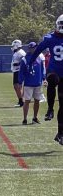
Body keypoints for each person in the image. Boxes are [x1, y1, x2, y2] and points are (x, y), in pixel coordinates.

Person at [29, 14, 63, 144]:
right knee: (53, 80)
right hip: (53, 69)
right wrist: (31, 62)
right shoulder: (50, 38)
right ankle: (49, 109)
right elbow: (38, 50)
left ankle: (60, 133)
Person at [19, 42, 45, 125]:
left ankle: (35, 117)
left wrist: (44, 79)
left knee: (37, 100)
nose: (33, 49)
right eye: (32, 48)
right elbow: (21, 71)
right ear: (29, 48)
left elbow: (42, 69)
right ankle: (25, 119)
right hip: (28, 83)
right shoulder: (25, 58)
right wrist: (20, 81)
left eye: (35, 47)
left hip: (38, 82)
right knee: (27, 101)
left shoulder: (40, 56)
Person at [11, 39, 26, 107]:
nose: (13, 47)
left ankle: (21, 101)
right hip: (16, 70)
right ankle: (21, 100)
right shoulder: (17, 52)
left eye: (14, 45)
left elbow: (25, 60)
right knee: (16, 86)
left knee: (17, 86)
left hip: (19, 71)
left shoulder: (21, 52)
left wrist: (18, 64)